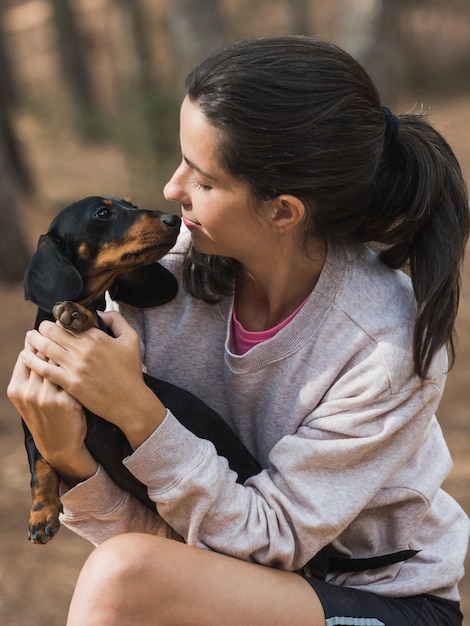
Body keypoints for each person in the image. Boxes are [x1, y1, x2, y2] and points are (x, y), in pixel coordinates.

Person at [8, 36, 470, 625]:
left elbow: (268, 544)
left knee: (121, 578)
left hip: (382, 599)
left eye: (202, 180)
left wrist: (138, 411)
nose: (172, 191)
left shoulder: (382, 343)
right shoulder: (155, 285)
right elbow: (163, 548)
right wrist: (69, 460)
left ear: (283, 210)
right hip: (239, 580)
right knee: (122, 575)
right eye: (179, 162)